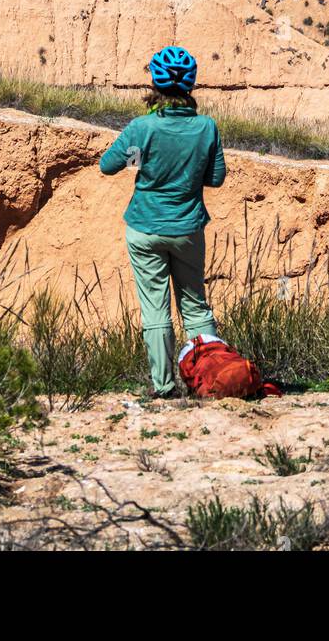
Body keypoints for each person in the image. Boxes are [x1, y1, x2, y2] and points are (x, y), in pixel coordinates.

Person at [99, 46, 224, 397]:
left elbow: (108, 165)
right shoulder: (206, 128)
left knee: (156, 310)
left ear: (154, 82)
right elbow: (216, 179)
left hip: (144, 228)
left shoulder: (142, 127)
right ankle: (210, 377)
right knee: (195, 305)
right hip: (187, 228)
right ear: (191, 85)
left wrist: (139, 157)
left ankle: (164, 387)